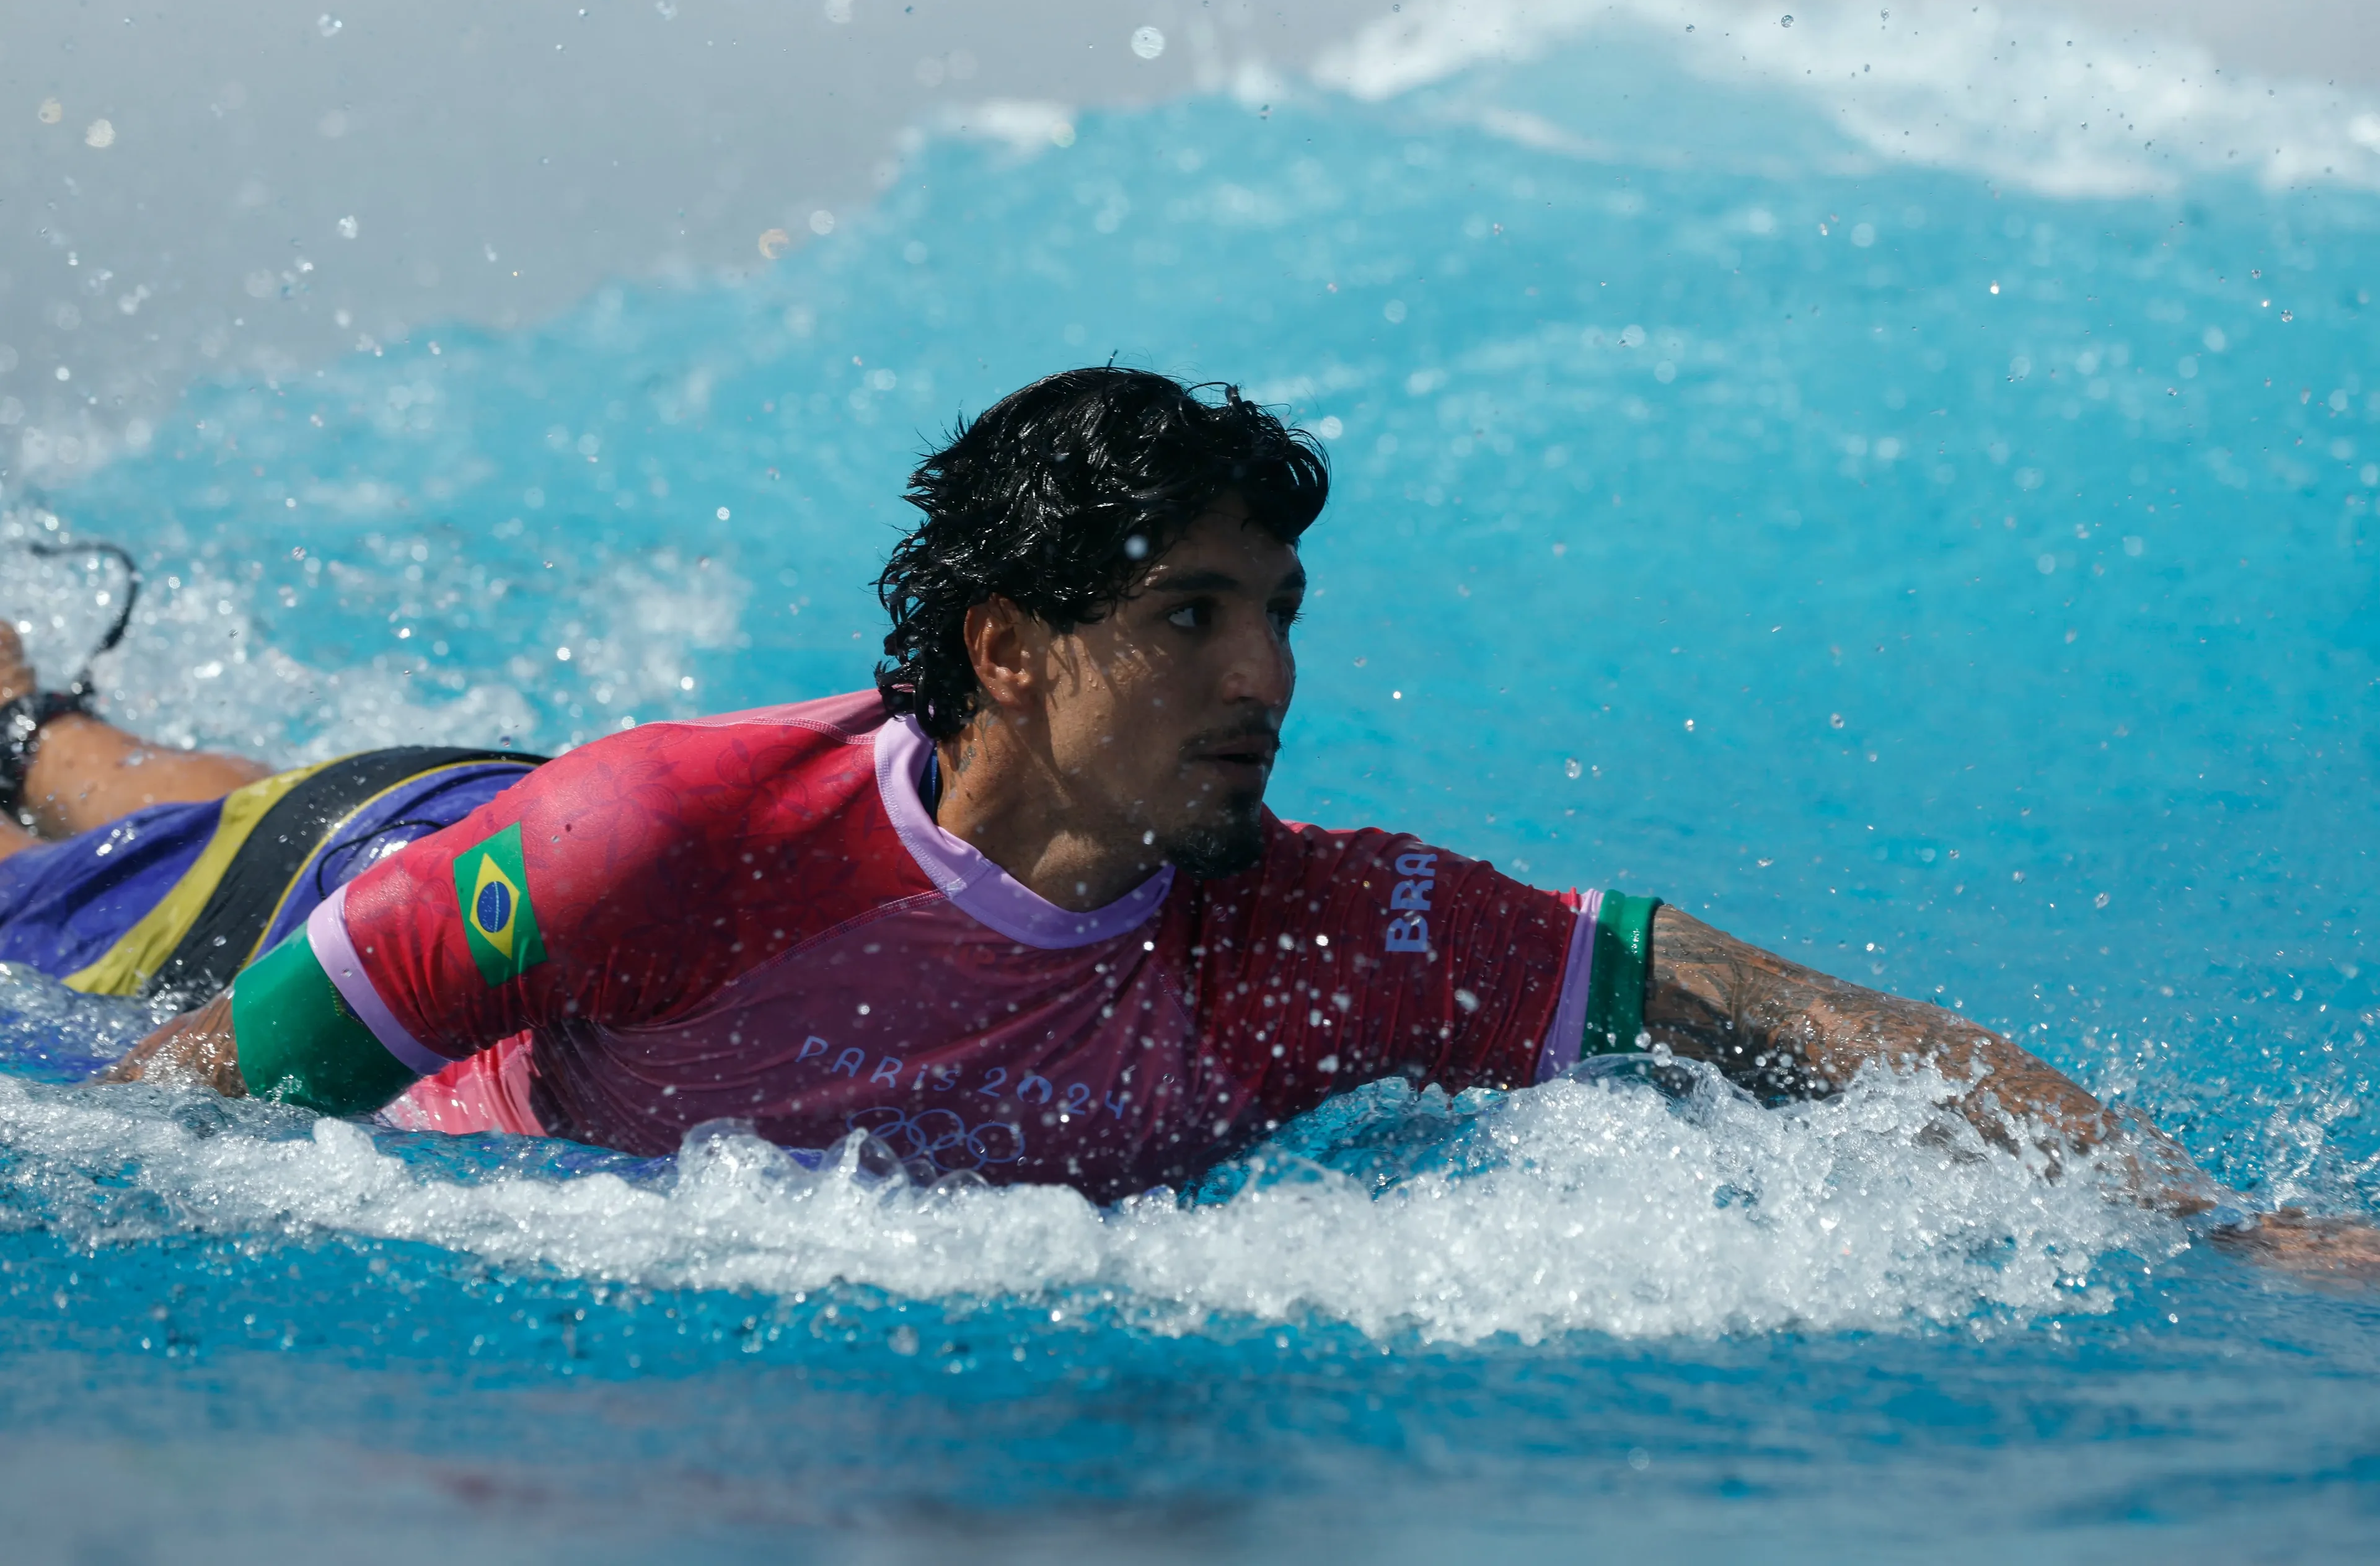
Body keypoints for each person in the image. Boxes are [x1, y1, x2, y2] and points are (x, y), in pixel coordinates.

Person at [12, 368, 2368, 1275]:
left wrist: (2216, 1225)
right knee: (107, 847)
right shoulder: (663, 839)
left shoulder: (1317, 933)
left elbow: (1738, 1006)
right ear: (1014, 647)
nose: (1269, 678)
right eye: (1192, 617)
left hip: (488, 839)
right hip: (335, 881)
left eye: (1282, 611)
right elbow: (201, 1101)